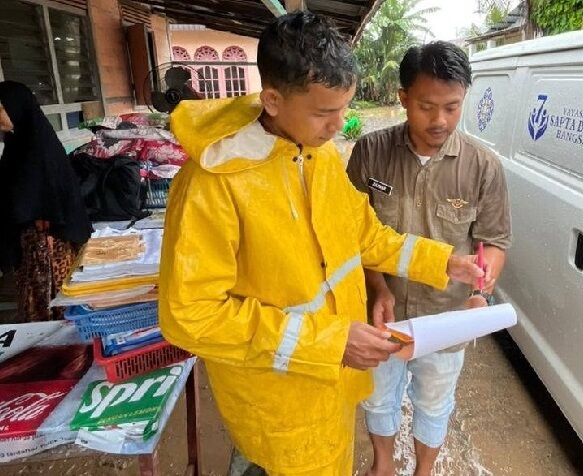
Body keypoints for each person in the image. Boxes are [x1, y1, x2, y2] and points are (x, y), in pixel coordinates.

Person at [158, 13, 487, 476]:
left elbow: (364, 235)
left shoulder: (317, 153)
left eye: (344, 108)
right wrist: (328, 341)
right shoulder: (212, 184)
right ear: (272, 99)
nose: (339, 124)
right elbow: (189, 315)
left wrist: (443, 261)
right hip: (279, 400)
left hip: (332, 382)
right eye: (323, 112)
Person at [347, 41, 512, 476]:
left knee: (434, 400)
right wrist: (378, 287)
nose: (440, 120)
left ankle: (423, 470)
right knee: (378, 396)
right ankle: (382, 463)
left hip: (447, 315)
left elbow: (494, 240)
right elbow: (351, 236)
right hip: (382, 314)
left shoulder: (483, 167)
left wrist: (483, 283)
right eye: (426, 106)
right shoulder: (369, 153)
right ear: (403, 97)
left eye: (452, 107)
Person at [0, 81, 91, 322]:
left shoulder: (38, 148)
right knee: (34, 305)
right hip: (30, 244)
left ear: (15, 107)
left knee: (50, 305)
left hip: (47, 244)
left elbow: (35, 197)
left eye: (0, 109)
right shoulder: (17, 144)